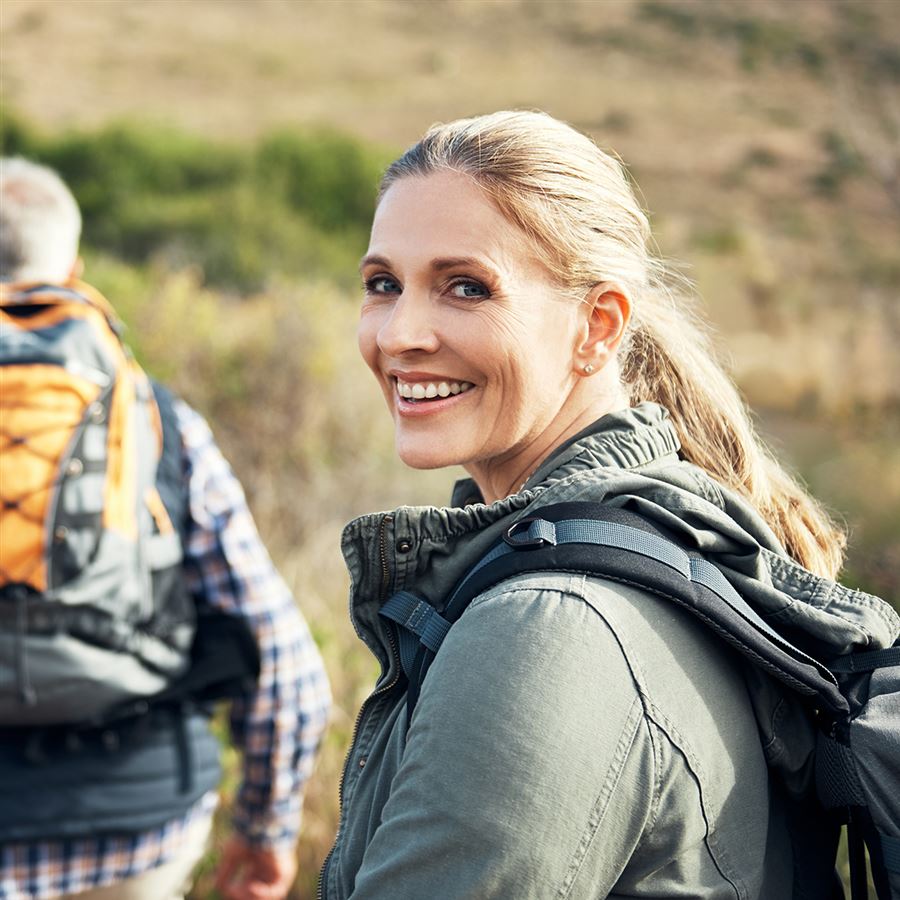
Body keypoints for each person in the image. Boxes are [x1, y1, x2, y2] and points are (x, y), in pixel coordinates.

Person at [319, 111, 898, 898]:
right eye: (383, 284)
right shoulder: (664, 526)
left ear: (598, 326)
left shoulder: (546, 630)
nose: (401, 333)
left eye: (465, 287)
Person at [0, 157, 332, 900]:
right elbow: (280, 658)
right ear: (74, 267)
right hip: (136, 828)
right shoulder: (157, 420)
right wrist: (264, 829)